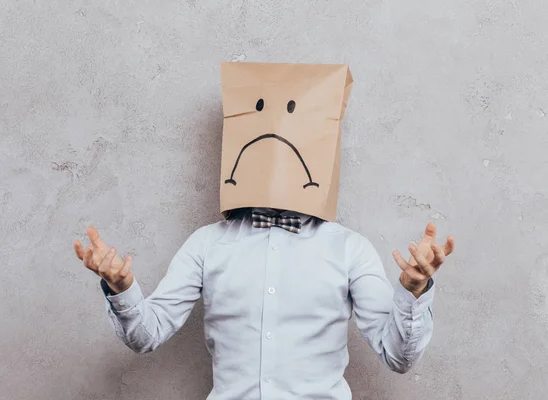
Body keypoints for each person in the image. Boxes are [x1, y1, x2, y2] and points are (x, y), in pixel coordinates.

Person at [73, 62, 455, 399]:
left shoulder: (350, 250)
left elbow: (398, 356)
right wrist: (121, 289)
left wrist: (413, 292)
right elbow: (146, 335)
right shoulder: (207, 244)